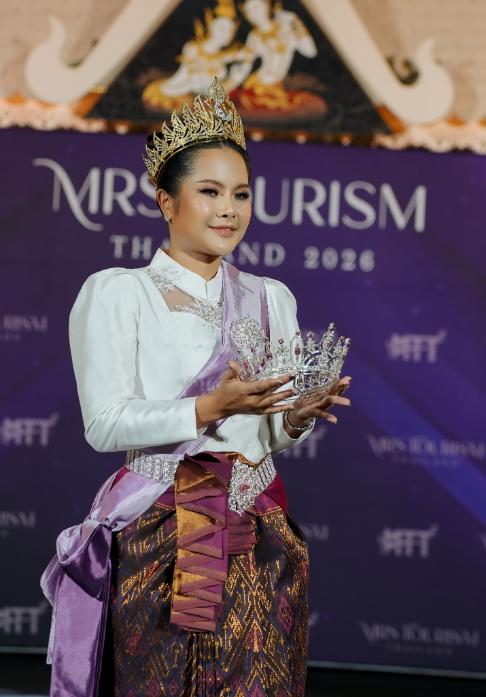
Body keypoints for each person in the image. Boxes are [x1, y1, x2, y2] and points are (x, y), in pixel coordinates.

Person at [41, 78, 351, 697]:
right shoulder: (120, 292)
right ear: (166, 200)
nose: (228, 209)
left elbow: (265, 436)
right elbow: (104, 424)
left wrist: (295, 418)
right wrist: (210, 406)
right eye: (209, 192)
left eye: (241, 193)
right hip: (161, 535)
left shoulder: (270, 298)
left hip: (258, 533)